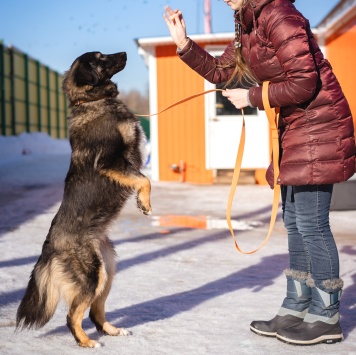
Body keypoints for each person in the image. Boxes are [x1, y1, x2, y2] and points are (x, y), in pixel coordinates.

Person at [163, 0, 356, 346]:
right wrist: (184, 44)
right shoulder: (247, 23)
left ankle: (326, 314)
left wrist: (253, 95)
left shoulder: (279, 14)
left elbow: (305, 82)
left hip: (319, 125)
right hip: (293, 129)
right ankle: (298, 305)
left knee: (312, 223)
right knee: (294, 221)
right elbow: (224, 72)